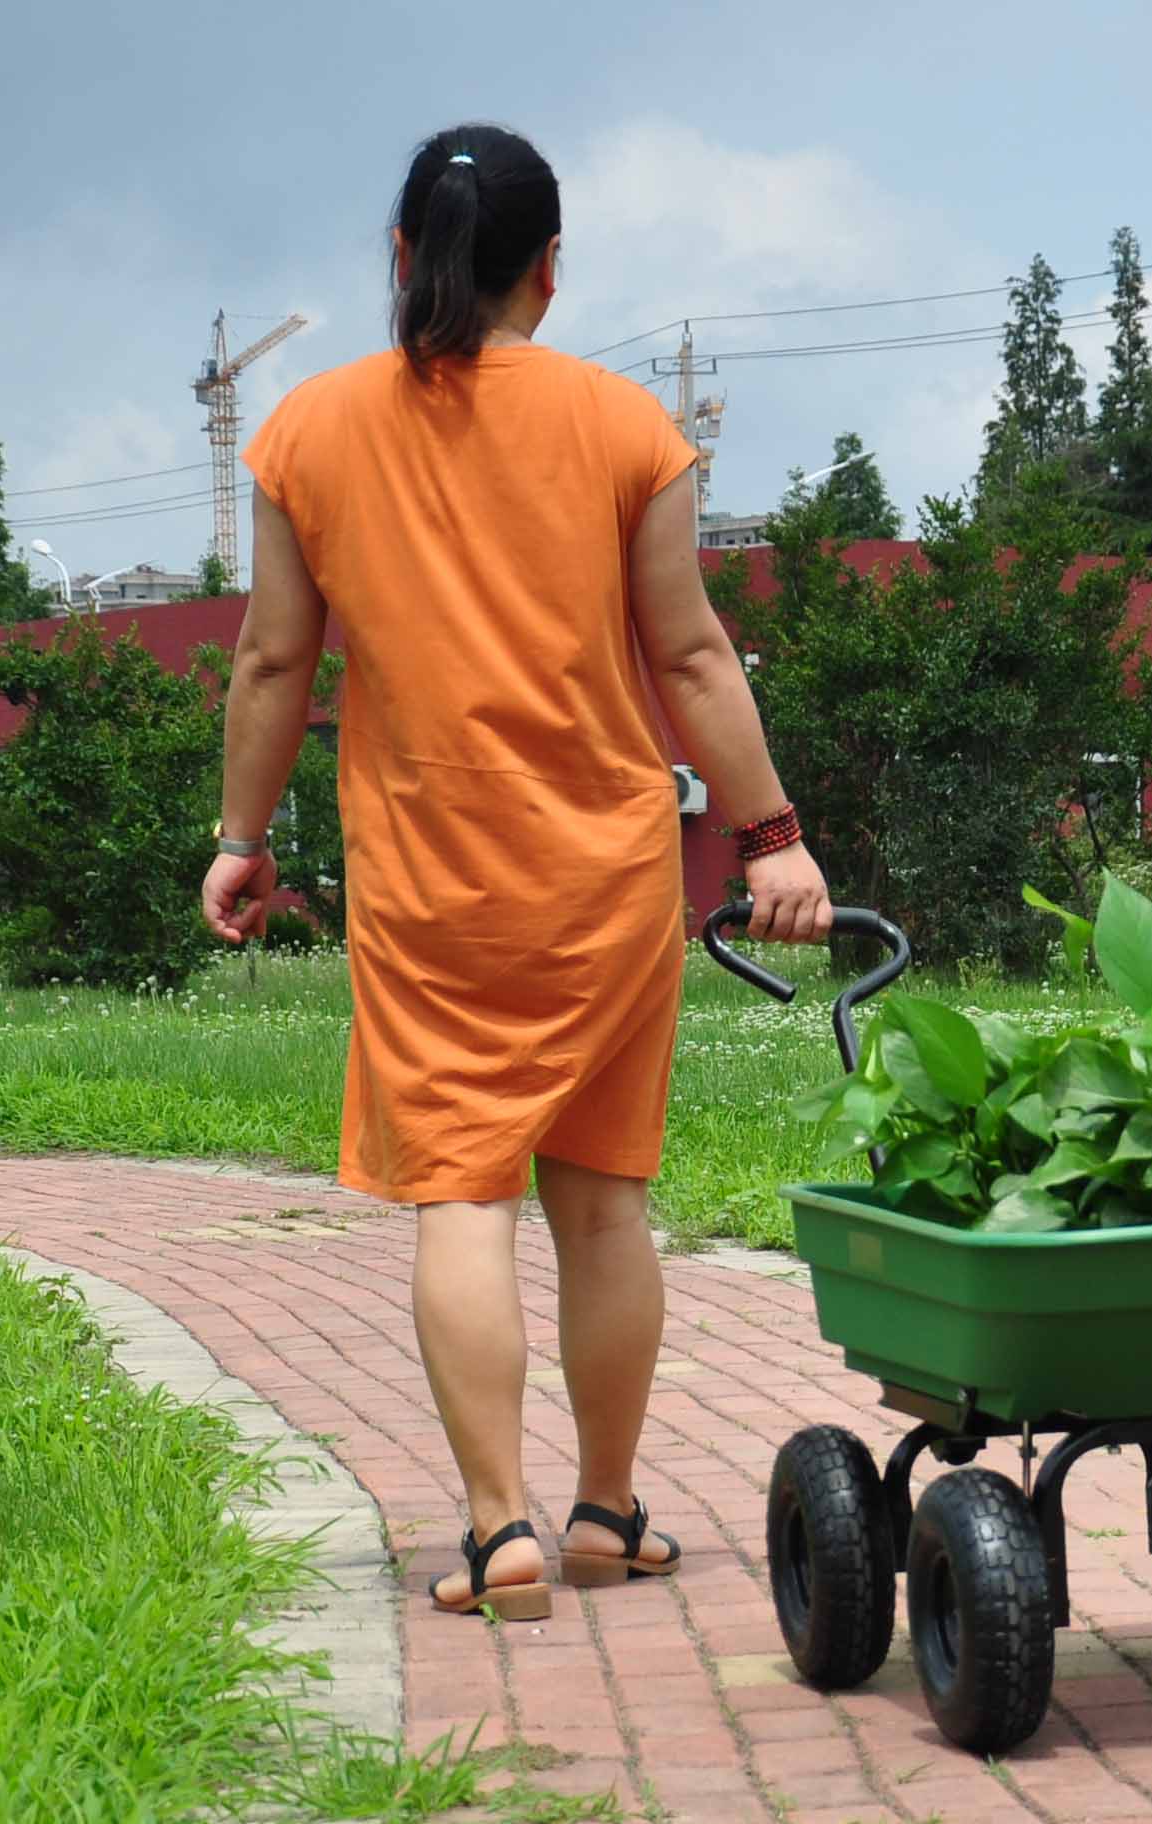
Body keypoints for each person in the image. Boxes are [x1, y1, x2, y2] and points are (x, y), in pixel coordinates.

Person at [202, 122, 831, 1623]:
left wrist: (241, 838)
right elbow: (687, 651)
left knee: (463, 1200)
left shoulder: (304, 434)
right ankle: (609, 1510)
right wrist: (772, 835)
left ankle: (498, 1535)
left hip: (427, 881)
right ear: (547, 271)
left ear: (404, 260)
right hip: (606, 870)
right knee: (603, 1206)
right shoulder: (629, 430)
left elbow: (277, 657)